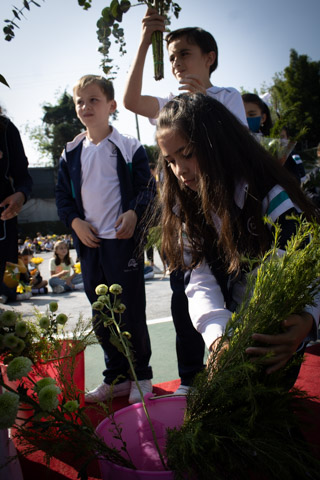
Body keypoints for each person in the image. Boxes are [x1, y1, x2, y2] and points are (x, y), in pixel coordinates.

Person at [123, 7, 248, 395]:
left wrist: (201, 105)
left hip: (227, 222)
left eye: (185, 53)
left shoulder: (227, 97)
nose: (176, 61)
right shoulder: (168, 105)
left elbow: (237, 154)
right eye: (171, 54)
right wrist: (146, 41)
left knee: (237, 291)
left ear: (209, 57)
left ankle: (238, 366)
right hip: (187, 220)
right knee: (185, 293)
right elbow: (128, 100)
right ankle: (191, 377)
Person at [155, 93, 320, 386]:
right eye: (170, 161)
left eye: (188, 153)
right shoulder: (190, 206)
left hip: (278, 335)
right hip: (234, 330)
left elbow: (311, 267)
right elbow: (200, 278)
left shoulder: (270, 196)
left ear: (217, 142)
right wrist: (219, 338)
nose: (180, 171)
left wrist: (308, 321)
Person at [55, 74, 155, 404]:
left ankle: (141, 377)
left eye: (93, 99)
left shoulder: (129, 146)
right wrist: (75, 223)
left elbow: (147, 189)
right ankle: (116, 378)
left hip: (122, 242)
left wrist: (133, 213)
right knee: (101, 313)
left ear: (111, 105)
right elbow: (62, 198)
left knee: (130, 312)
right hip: (90, 244)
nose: (85, 106)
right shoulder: (69, 152)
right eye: (80, 101)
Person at [0, 108, 32, 304]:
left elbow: (23, 177)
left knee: (9, 300)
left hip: (4, 222)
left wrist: (21, 194)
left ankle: (9, 292)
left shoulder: (6, 129)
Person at [242, 93, 306, 185]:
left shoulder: (274, 144)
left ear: (263, 118)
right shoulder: (230, 143)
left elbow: (295, 178)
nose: (246, 119)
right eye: (242, 114)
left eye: (251, 114)